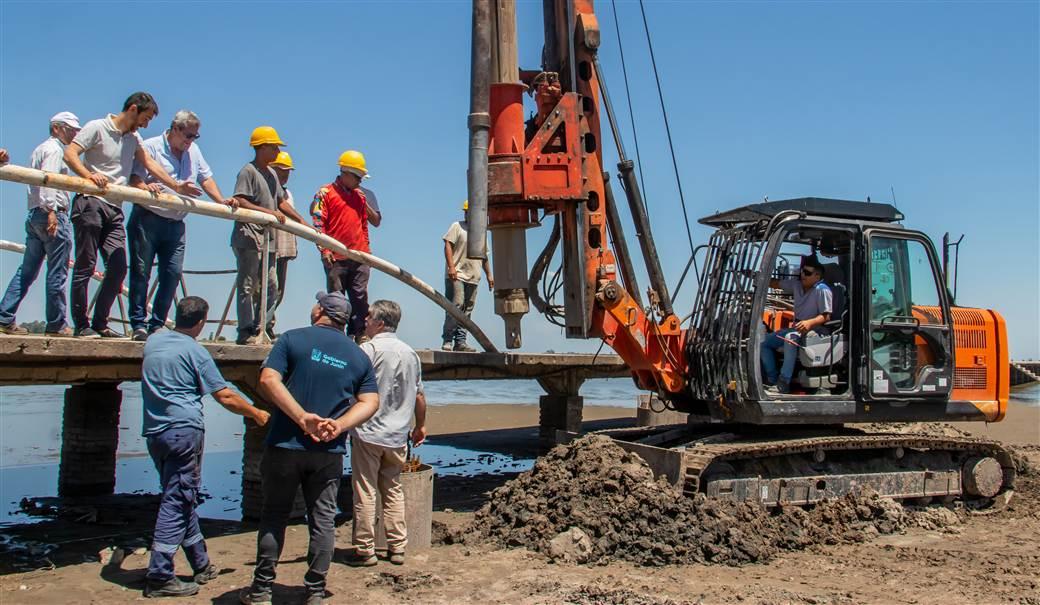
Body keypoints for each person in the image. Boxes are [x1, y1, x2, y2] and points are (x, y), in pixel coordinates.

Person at [241, 291, 379, 605]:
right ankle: (315, 591)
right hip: (328, 451)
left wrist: (302, 417)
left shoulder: (292, 339)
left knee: (274, 515)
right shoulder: (358, 355)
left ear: (319, 310)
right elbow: (371, 401)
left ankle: (262, 589)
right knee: (323, 520)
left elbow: (268, 379)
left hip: (285, 444)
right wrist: (340, 425)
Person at [141, 296, 269, 598]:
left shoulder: (153, 342)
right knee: (177, 499)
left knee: (180, 494)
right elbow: (225, 396)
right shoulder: (195, 351)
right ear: (201, 323)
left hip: (155, 431)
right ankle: (159, 575)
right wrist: (257, 412)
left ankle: (201, 563)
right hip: (183, 431)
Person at [64, 92, 202, 339]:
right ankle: (81, 324)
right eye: (145, 118)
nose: (146, 124)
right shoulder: (97, 127)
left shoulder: (134, 138)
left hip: (115, 207)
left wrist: (177, 186)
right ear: (133, 109)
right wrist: (87, 176)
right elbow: (71, 153)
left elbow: (149, 164)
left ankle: (99, 323)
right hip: (91, 202)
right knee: (85, 264)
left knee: (118, 268)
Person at [128, 110, 238, 341]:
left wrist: (220, 200)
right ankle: (138, 323)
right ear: (175, 129)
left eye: (195, 137)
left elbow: (205, 177)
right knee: (141, 271)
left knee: (172, 273)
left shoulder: (193, 152)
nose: (191, 141)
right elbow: (135, 178)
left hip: (176, 222)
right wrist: (146, 188)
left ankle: (157, 324)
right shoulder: (150, 147)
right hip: (148, 217)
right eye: (188, 136)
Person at [349, 299, 427, 567]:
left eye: (369, 317)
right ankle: (397, 547)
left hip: (368, 431)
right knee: (393, 489)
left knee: (365, 491)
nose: (365, 321)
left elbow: (351, 387)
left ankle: (365, 549)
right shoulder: (410, 353)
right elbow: (419, 395)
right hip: (397, 435)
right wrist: (421, 425)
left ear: (380, 322)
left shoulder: (367, 350)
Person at [0, 112, 81, 336]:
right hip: (51, 214)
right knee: (57, 271)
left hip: (34, 214)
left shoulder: (40, 149)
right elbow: (49, 179)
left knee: (26, 271)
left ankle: (4, 315)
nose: (74, 133)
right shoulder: (55, 151)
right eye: (70, 129)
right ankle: (56, 323)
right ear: (56, 128)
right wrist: (52, 211)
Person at [230, 126, 300, 345]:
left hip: (268, 240)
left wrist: (301, 222)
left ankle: (263, 328)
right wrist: (268, 213)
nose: (278, 151)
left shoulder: (271, 174)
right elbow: (240, 199)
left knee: (272, 285)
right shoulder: (248, 171)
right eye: (275, 146)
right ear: (262, 148)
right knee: (248, 285)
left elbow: (281, 202)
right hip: (249, 236)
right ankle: (245, 330)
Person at [310, 150, 381, 339]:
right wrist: (324, 249)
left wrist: (366, 251)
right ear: (345, 173)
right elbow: (318, 224)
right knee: (337, 298)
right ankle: (336, 334)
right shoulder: (325, 193)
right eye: (357, 176)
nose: (360, 181)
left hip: (359, 255)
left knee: (359, 297)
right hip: (336, 256)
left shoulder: (360, 197)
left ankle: (358, 334)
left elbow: (363, 225)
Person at [759, 256, 833, 394]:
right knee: (764, 343)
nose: (803, 275)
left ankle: (784, 382)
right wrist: (757, 277)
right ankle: (772, 379)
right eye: (803, 272)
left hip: (815, 329)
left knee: (789, 338)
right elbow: (776, 284)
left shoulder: (822, 290)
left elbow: (826, 316)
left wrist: (809, 322)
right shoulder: (797, 285)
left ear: (817, 276)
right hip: (797, 327)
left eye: (808, 273)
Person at [440, 200, 493, 352]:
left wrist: (489, 275)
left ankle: (460, 342)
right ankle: (448, 339)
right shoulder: (457, 226)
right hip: (457, 274)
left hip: (473, 276)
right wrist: (451, 267)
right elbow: (448, 245)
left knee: (467, 310)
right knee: (456, 305)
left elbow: (484, 256)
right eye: (466, 212)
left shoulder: (480, 232)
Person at [268, 151, 305, 332]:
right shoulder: (267, 190)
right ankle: (262, 325)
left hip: (284, 246)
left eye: (287, 171)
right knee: (267, 286)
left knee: (279, 289)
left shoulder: (287, 193)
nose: (285, 174)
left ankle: (268, 324)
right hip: (268, 244)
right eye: (281, 170)